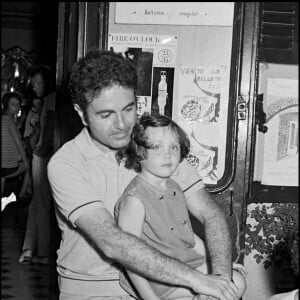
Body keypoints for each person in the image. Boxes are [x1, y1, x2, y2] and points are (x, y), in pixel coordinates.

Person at [47, 50, 240, 299]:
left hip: (167, 279)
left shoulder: (155, 144)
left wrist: (221, 277)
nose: (122, 125)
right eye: (106, 115)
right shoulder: (66, 164)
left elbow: (210, 212)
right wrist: (197, 280)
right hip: (96, 287)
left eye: (128, 109)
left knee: (236, 280)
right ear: (82, 113)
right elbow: (113, 242)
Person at [115, 114, 247, 300]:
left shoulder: (174, 188)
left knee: (236, 282)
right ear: (138, 151)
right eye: (157, 146)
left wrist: (216, 265)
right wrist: (149, 298)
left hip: (184, 265)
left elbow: (186, 235)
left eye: (174, 147)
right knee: (215, 294)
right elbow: (128, 256)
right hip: (155, 278)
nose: (167, 154)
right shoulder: (135, 199)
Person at [18, 66, 56, 264]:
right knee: (38, 203)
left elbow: (47, 132)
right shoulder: (40, 103)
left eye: (39, 82)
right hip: (39, 155)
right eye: (34, 83)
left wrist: (38, 149)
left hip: (44, 155)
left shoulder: (51, 100)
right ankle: (31, 248)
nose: (36, 86)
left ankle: (41, 251)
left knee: (41, 203)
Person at [1, 92, 30, 198]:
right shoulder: (9, 120)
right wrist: (26, 162)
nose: (17, 107)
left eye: (18, 104)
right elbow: (18, 143)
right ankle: (21, 196)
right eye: (13, 104)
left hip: (3, 165)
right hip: (7, 168)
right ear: (6, 105)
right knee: (28, 166)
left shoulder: (4, 118)